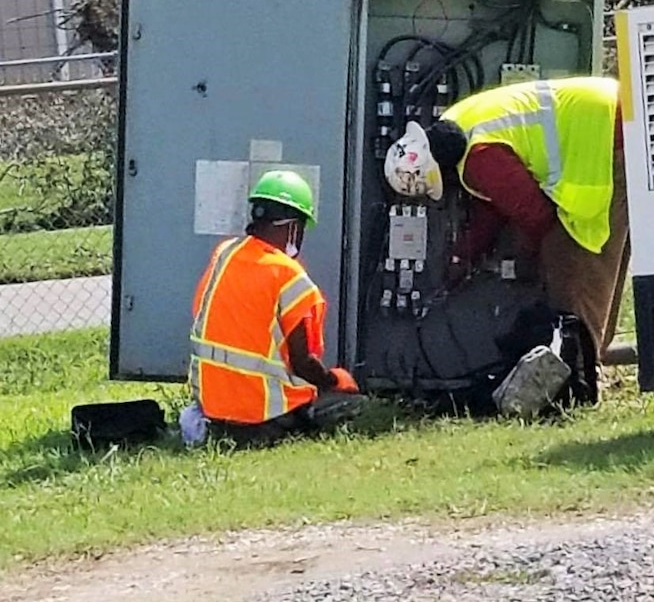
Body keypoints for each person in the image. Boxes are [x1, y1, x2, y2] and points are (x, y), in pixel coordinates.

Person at [383, 76, 630, 378]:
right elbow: (494, 203)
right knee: (587, 263)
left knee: (574, 267)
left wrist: (527, 258)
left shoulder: (478, 157)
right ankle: (588, 360)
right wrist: (465, 255)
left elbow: (536, 215)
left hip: (604, 138)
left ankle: (579, 377)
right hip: (607, 112)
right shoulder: (455, 126)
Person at [181, 169, 366, 448]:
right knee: (351, 402)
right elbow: (304, 364)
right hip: (262, 417)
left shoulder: (225, 253)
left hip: (212, 411)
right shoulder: (288, 275)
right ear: (292, 226)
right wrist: (335, 380)